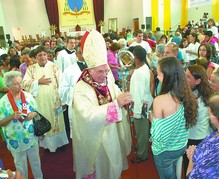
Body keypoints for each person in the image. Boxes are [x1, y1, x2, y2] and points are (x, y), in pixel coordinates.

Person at [72, 30, 132, 179]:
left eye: (106, 70)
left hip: (112, 133)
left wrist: (122, 98)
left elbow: (114, 89)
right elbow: (87, 116)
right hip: (95, 137)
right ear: (89, 70)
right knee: (101, 170)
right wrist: (115, 105)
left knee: (113, 166)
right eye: (100, 72)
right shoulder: (81, 88)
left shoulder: (106, 74)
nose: (104, 75)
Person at [149, 57, 197, 179]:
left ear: (167, 76)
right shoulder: (187, 94)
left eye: (159, 74)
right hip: (181, 145)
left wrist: (153, 121)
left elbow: (158, 136)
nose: (157, 77)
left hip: (165, 151)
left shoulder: (159, 100)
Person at [22, 46, 69, 152]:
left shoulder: (54, 67)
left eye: (44, 54)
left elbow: (62, 84)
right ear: (35, 57)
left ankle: (59, 144)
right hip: (40, 102)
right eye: (40, 55)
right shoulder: (31, 69)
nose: (43, 57)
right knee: (44, 122)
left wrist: (64, 101)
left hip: (55, 102)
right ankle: (48, 146)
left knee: (57, 122)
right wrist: (38, 82)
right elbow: (24, 83)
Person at [0, 71, 43, 179]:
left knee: (36, 162)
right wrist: (11, 117)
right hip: (15, 140)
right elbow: (1, 122)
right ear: (8, 86)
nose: (20, 86)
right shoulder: (3, 102)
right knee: (20, 166)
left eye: (20, 83)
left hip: (30, 136)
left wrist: (33, 114)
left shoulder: (28, 96)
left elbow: (37, 111)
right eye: (16, 84)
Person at [183, 65, 212, 175]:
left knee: (190, 170)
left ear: (198, 81)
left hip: (193, 139)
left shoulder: (194, 101)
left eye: (188, 77)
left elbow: (187, 122)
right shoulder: (206, 93)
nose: (184, 79)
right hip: (204, 134)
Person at [186, 92, 219, 178]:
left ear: (216, 116)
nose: (209, 115)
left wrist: (191, 159)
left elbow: (192, 176)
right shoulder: (215, 134)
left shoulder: (215, 150)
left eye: (210, 113)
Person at [129, 46, 153, 163]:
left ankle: (142, 154)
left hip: (141, 105)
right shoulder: (144, 69)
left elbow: (139, 94)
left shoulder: (139, 73)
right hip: (144, 104)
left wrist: (137, 111)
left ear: (136, 57)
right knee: (142, 130)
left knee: (141, 131)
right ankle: (140, 146)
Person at [58, 45, 87, 138]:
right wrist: (75, 92)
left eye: (85, 52)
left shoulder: (95, 67)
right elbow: (62, 89)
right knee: (77, 132)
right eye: (80, 52)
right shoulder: (69, 70)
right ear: (76, 54)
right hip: (76, 103)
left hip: (92, 103)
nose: (83, 55)